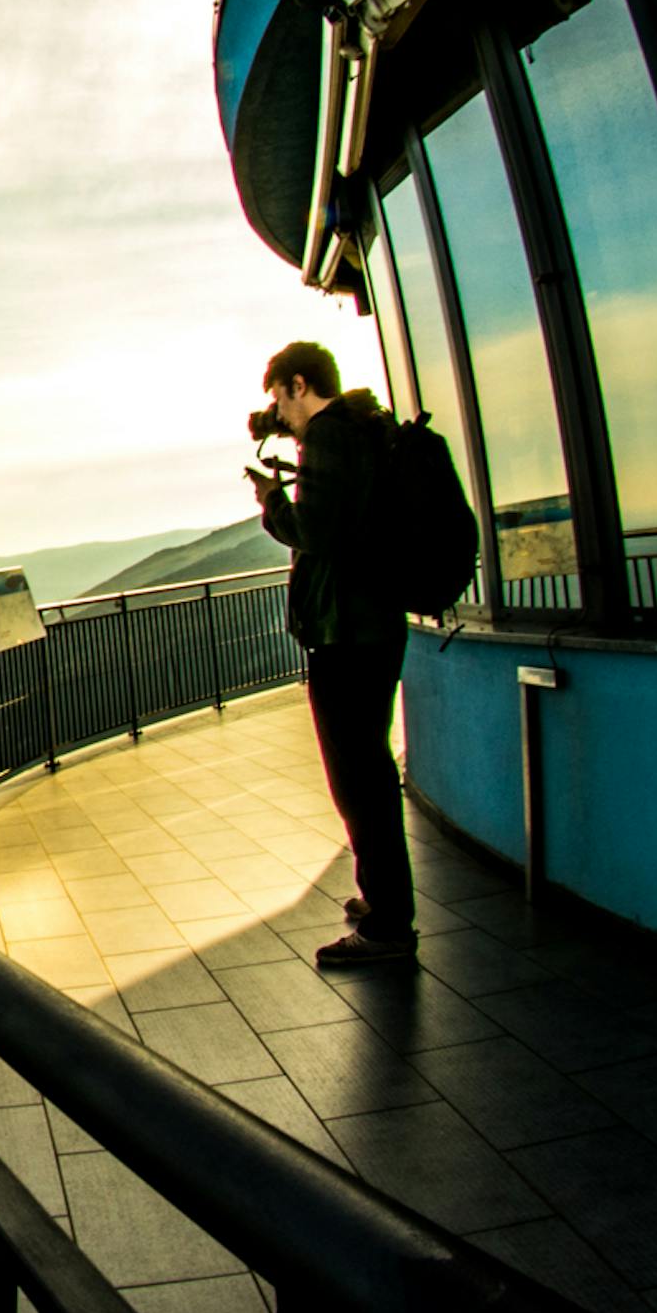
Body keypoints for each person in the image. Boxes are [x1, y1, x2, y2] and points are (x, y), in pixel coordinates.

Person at [246, 340, 416, 965]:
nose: (279, 414)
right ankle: (383, 901)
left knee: (359, 782)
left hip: (347, 634)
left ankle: (389, 928)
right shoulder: (363, 430)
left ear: (297, 385)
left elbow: (315, 532)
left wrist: (272, 501)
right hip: (374, 626)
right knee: (370, 773)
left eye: (279, 399)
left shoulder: (329, 436)